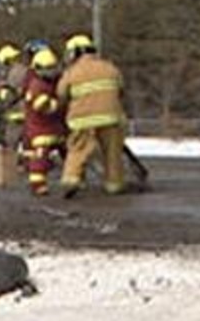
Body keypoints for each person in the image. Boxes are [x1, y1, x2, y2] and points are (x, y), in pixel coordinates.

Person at [56, 33, 127, 198]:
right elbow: (121, 90)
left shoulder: (72, 73)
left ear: (75, 52)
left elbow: (61, 94)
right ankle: (114, 185)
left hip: (82, 120)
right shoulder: (110, 68)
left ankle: (71, 181)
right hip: (111, 118)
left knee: (77, 150)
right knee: (112, 153)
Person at [22, 46, 67, 196]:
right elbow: (43, 106)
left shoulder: (52, 83)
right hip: (40, 130)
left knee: (68, 154)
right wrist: (61, 105)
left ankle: (72, 179)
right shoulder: (37, 85)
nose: (51, 72)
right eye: (47, 69)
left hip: (56, 128)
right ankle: (38, 184)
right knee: (40, 158)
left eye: (52, 68)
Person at [0, 43, 29, 149]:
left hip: (16, 115)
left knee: (11, 145)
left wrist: (0, 96)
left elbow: (10, 95)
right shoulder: (24, 69)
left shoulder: (14, 73)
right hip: (28, 113)